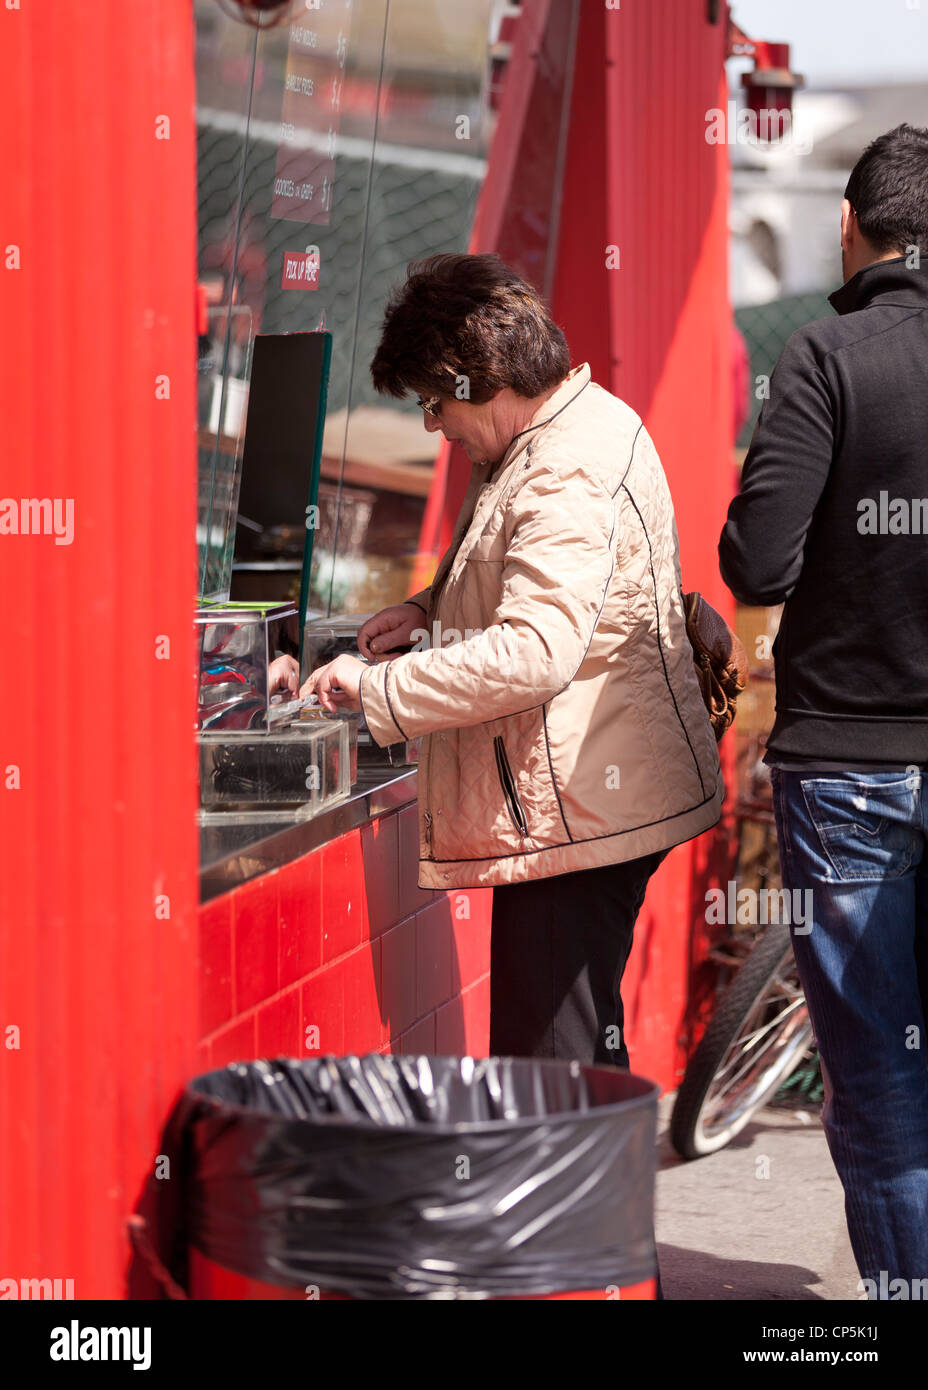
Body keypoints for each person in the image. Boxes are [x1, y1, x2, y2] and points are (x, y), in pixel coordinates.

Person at [275, 251, 723, 1076]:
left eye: (433, 401)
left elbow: (534, 649)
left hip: (584, 810)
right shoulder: (554, 432)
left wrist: (376, 690)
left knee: (548, 1067)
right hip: (588, 794)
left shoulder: (564, 471)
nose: (431, 425)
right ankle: (595, 1197)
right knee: (578, 1048)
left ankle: (575, 1205)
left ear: (475, 380)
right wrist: (427, 609)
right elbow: (506, 562)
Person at [719, 124, 928, 1294]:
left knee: (881, 1074)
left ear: (849, 228)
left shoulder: (823, 353)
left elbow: (758, 559)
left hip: (848, 762)